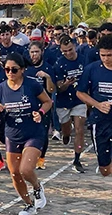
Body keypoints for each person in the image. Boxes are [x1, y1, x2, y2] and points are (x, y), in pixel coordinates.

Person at [0, 53, 52, 215]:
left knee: (25, 169)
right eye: (7, 69)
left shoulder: (32, 85)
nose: (10, 73)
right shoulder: (0, 89)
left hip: (33, 133)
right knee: (15, 173)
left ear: (23, 70)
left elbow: (48, 101)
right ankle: (29, 205)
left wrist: (40, 112)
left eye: (14, 70)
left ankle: (37, 188)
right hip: (12, 134)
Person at [77, 35, 112, 177]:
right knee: (104, 169)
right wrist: (97, 104)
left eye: (109, 55)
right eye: (103, 55)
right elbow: (80, 92)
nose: (106, 59)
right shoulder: (92, 69)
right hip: (100, 120)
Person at [54, 35, 87, 173]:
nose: (68, 53)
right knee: (66, 129)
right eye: (65, 51)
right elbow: (59, 87)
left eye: (70, 49)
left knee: (80, 130)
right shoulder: (59, 64)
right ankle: (66, 133)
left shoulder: (84, 60)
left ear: (75, 46)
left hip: (80, 99)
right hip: (64, 101)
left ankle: (77, 159)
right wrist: (66, 84)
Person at [25, 41, 56, 170]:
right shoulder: (26, 68)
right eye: (32, 52)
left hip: (44, 105)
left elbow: (51, 90)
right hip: (28, 104)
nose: (34, 55)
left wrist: (47, 77)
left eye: (37, 52)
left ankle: (41, 159)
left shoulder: (48, 68)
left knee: (43, 132)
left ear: (42, 52)